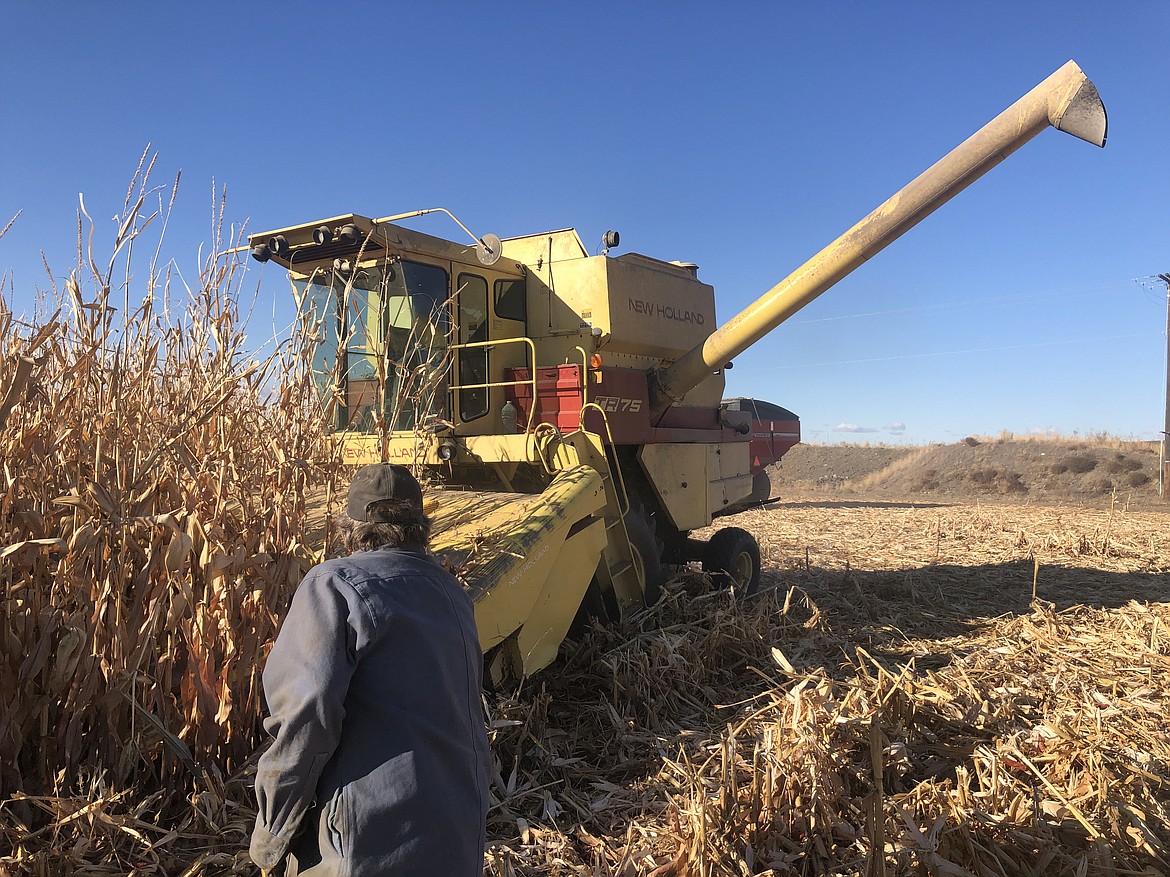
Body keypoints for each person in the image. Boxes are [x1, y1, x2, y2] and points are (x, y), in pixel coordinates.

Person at [250, 463, 490, 876]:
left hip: (367, 842)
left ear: (351, 528)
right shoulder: (452, 593)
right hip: (457, 834)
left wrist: (272, 832)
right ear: (420, 525)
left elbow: (306, 715)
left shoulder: (334, 584)